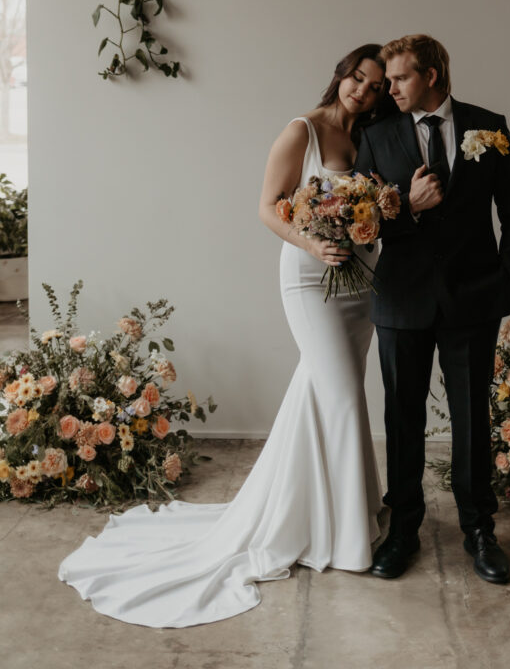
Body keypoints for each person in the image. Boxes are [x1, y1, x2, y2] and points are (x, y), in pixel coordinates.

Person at [57, 44, 389, 627]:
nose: (362, 90)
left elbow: (375, 207)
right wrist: (314, 243)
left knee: (327, 392)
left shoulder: (370, 139)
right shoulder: (301, 132)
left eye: (376, 85)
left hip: (360, 282)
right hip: (312, 277)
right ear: (341, 74)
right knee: (338, 395)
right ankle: (347, 537)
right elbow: (267, 208)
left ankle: (326, 512)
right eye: (357, 78)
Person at [354, 34, 510, 585]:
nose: (391, 87)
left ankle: (480, 532)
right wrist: (409, 206)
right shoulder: (377, 134)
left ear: (431, 75)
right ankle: (403, 530)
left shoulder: (490, 126)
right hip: (401, 298)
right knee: (402, 421)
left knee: (473, 420)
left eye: (401, 77)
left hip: (473, 300)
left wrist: (506, 288)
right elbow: (362, 222)